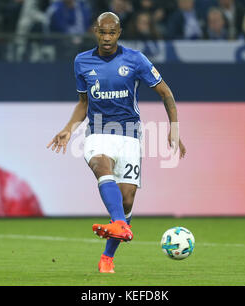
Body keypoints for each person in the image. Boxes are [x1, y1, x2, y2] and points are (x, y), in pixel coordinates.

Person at [47, 12, 186, 273]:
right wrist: (68, 130)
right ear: (95, 32)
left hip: (129, 134)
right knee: (100, 164)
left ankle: (108, 256)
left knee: (127, 200)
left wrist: (174, 128)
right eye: (102, 32)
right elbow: (83, 102)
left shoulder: (135, 59)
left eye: (112, 32)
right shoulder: (81, 61)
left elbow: (166, 92)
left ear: (119, 32)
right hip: (98, 131)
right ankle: (121, 225)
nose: (107, 37)